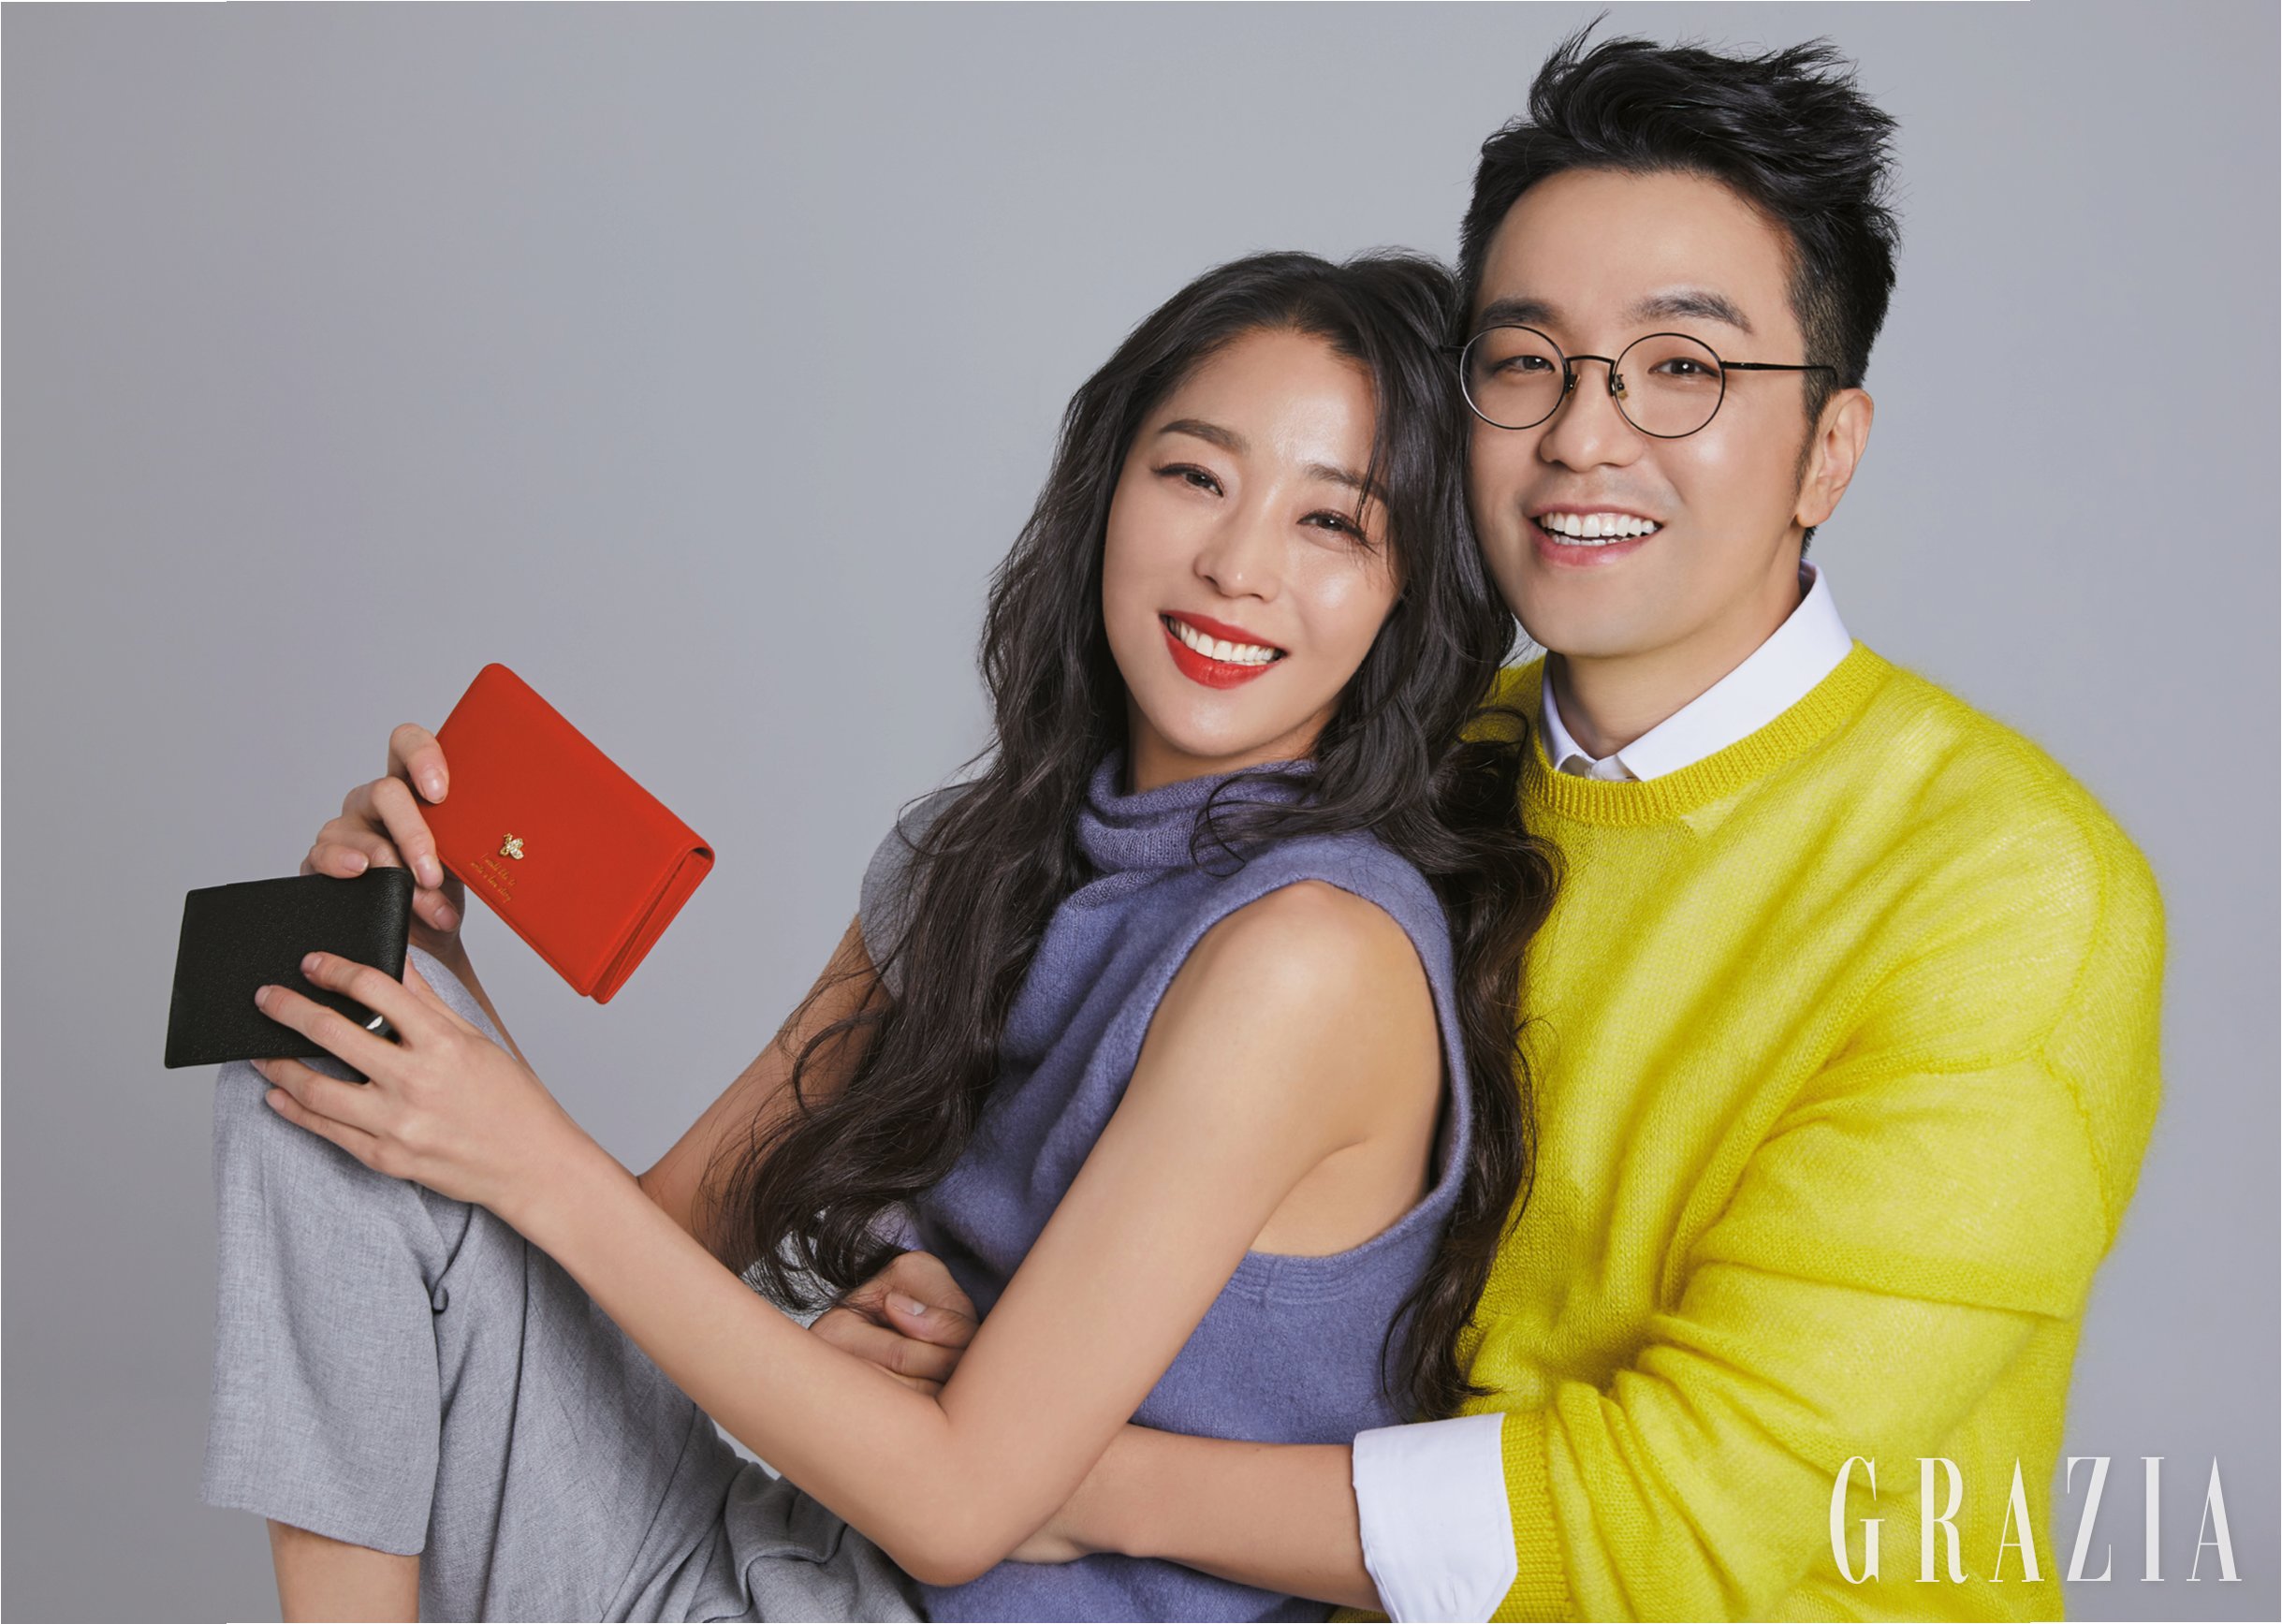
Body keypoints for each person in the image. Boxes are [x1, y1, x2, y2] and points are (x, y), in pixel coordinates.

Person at [888, 29, 2166, 1621]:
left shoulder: (2007, 890)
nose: (1582, 435)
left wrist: (1050, 1468)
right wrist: (962, 1324)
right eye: (1523, 362)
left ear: (1826, 451)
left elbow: (1691, 1518)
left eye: (1681, 368)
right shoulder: (1408, 766)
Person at [197, 250, 1560, 1621]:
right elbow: (657, 1248)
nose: (1236, 565)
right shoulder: (974, 859)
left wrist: (515, 1142)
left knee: (371, 1064)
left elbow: (955, 1508)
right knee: (328, 1033)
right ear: (1106, 492)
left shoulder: (1310, 955)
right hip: (779, 1564)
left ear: (1404, 592)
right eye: (1196, 476)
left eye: (1331, 523)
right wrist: (437, 987)